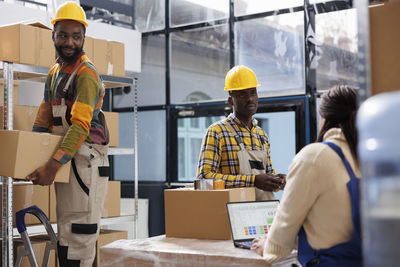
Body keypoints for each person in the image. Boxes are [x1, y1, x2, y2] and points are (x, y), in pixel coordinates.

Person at [26, 2, 110, 266]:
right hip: (67, 160)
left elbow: (80, 126)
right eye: (63, 35)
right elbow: (44, 116)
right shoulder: (54, 72)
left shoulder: (87, 75)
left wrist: (51, 166)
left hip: (85, 163)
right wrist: (32, 155)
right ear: (53, 35)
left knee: (80, 234)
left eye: (76, 36)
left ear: (84, 38)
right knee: (66, 231)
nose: (69, 42)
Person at [251, 85, 362, 266]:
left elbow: (280, 240)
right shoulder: (365, 158)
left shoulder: (315, 156)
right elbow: (331, 229)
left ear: (324, 118)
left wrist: (267, 246)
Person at [196, 65, 285, 200]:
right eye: (243, 94)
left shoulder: (262, 135)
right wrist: (252, 181)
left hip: (262, 214)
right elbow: (204, 178)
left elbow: (267, 174)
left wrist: (277, 181)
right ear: (231, 100)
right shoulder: (217, 132)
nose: (250, 98)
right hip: (231, 214)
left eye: (253, 93)